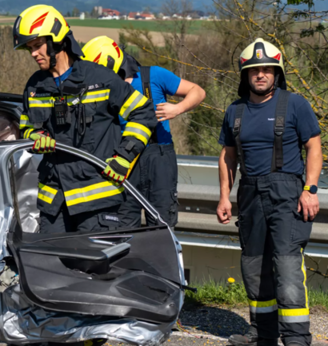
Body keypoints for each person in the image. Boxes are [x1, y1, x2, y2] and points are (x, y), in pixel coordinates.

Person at [14, 5, 157, 234]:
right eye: (30, 47)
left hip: (96, 202)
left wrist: (124, 157)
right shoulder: (35, 87)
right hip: (54, 203)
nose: (33, 53)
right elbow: (26, 127)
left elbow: (143, 112)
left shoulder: (100, 78)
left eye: (37, 45)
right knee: (52, 267)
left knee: (94, 268)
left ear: (57, 40)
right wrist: (35, 137)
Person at [217, 38, 321, 346]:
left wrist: (310, 189)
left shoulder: (295, 104)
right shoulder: (234, 111)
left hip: (288, 193)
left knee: (287, 268)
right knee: (253, 267)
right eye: (254, 70)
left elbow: (314, 147)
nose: (260, 75)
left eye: (267, 70)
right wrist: (224, 196)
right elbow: (228, 156)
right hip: (250, 194)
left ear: (277, 74)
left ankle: (296, 339)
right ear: (245, 75)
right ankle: (262, 336)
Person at [81, 36, 206, 227]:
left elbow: (198, 91)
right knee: (121, 227)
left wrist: (177, 109)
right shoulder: (102, 89)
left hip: (159, 158)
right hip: (122, 159)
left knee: (161, 227)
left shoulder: (153, 76)